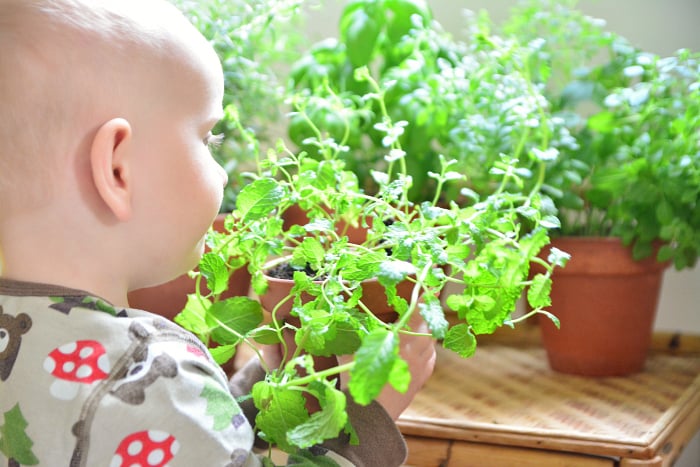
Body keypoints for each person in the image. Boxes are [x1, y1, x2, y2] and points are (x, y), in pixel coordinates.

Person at [0, 1, 436, 466]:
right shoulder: (147, 372)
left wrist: (265, 385)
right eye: (208, 139)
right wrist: (368, 419)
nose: (224, 174)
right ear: (118, 169)